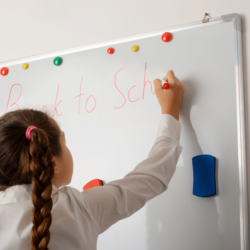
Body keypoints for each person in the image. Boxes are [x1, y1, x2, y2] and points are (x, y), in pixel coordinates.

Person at [0, 70, 184, 250]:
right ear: (53, 164)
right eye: (65, 142)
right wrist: (170, 111)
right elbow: (151, 178)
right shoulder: (80, 209)